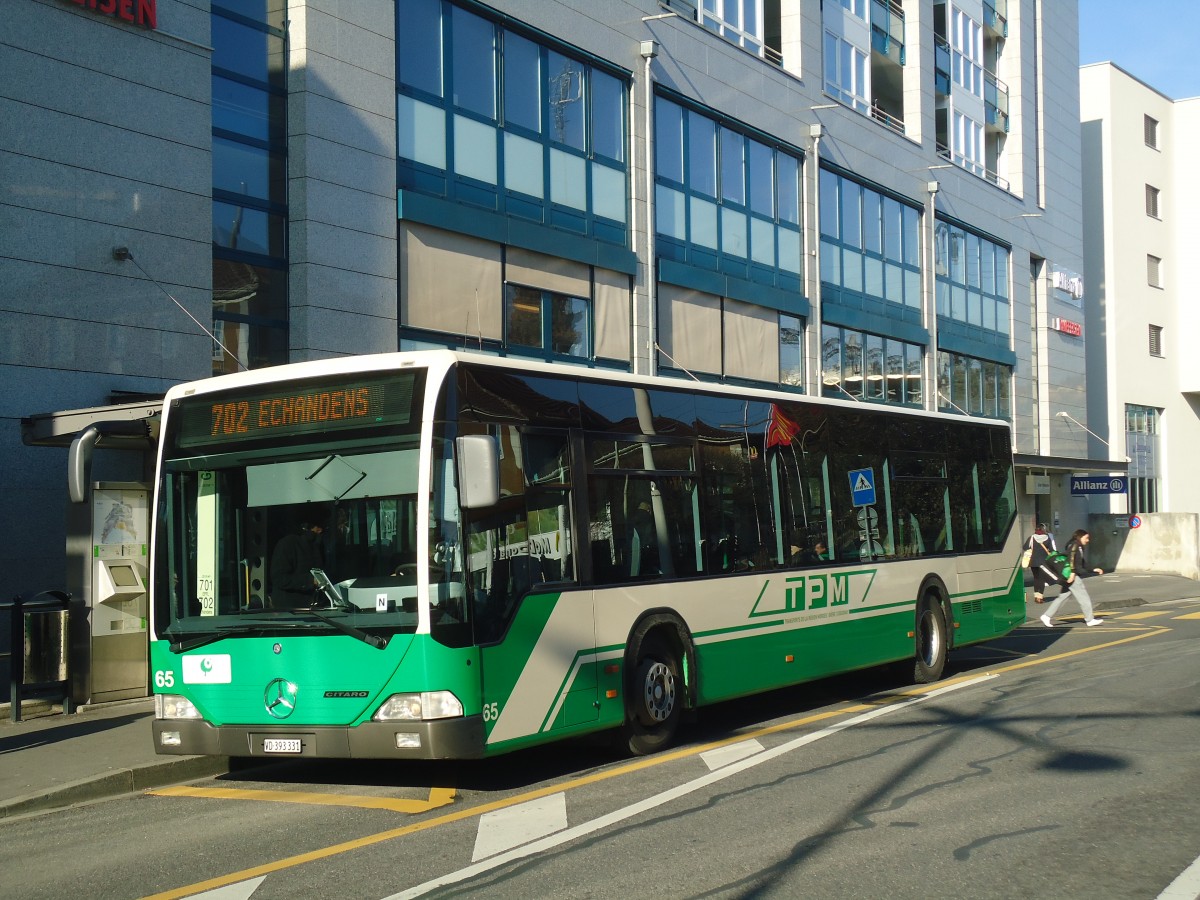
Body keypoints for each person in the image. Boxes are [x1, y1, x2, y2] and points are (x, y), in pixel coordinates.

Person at [1039, 528, 1105, 627]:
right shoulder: (1075, 545)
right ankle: (1089, 619)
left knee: (1063, 597)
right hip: (1072, 576)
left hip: (1070, 574)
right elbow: (1071, 559)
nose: (1088, 540)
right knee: (1084, 598)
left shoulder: (1078, 546)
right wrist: (1073, 573)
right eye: (1086, 538)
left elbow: (1081, 563)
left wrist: (1093, 569)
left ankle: (1047, 616)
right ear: (1080, 537)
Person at [270, 519, 324, 607]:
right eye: (317, 527)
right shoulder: (288, 543)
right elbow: (279, 578)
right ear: (307, 526)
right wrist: (310, 580)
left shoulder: (317, 545)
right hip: (289, 609)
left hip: (312, 606)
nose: (320, 530)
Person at [1025, 523, 1057, 603]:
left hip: (1033, 562)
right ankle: (1040, 597)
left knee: (1036, 578)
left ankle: (1036, 596)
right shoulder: (1047, 538)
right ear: (1044, 530)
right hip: (1044, 562)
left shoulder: (1031, 538)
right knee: (1042, 579)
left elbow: (1025, 547)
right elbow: (1052, 550)